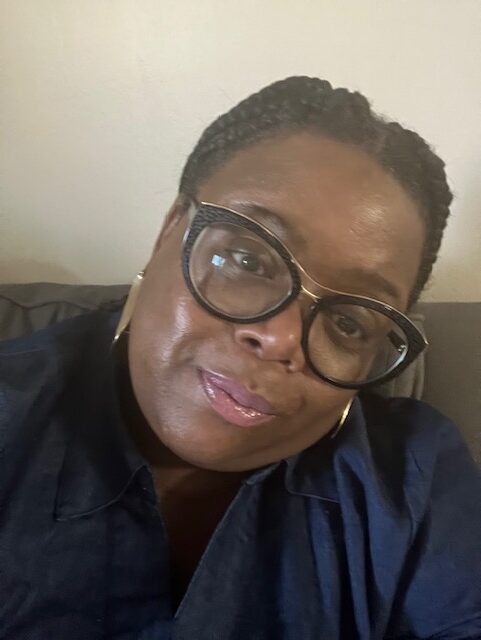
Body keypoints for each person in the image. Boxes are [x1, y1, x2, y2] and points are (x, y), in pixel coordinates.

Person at [1, 76, 480, 640]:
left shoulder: (413, 481)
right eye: (247, 261)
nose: (281, 339)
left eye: (349, 323)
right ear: (170, 231)